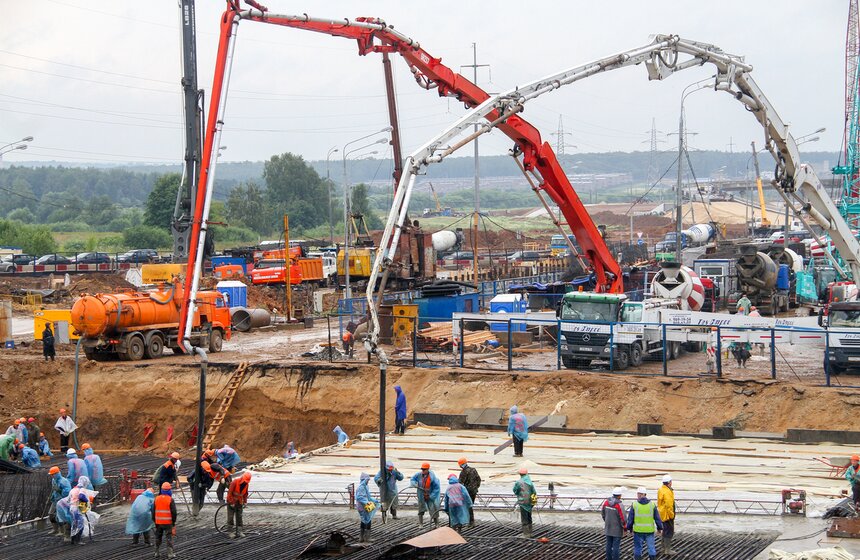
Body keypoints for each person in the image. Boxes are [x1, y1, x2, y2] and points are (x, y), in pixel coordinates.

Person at [626, 486, 664, 560]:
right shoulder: (652, 505)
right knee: (651, 548)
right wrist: (660, 528)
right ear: (645, 494)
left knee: (638, 549)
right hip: (649, 531)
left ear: (638, 494)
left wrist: (629, 529)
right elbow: (657, 518)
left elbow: (630, 519)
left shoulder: (634, 504)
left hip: (638, 531)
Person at [410, 462, 440, 527]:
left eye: (424, 469)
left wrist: (432, 496)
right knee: (421, 509)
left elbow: (436, 488)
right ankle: (421, 524)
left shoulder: (432, 477)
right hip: (421, 494)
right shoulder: (418, 475)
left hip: (429, 495)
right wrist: (414, 483)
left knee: (433, 509)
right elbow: (412, 479)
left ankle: (436, 523)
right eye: (422, 469)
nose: (423, 471)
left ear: (428, 469)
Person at [152, 482, 177, 558]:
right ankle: (170, 554)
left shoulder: (156, 499)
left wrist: (154, 520)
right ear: (169, 490)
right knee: (169, 537)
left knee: (158, 537)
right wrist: (173, 522)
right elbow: (174, 512)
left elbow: (153, 511)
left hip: (158, 522)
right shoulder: (170, 500)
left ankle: (156, 552)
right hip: (168, 522)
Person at [601, 487, 626, 560]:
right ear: (620, 495)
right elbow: (623, 518)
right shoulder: (619, 505)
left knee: (608, 545)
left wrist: (606, 521)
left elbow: (602, 513)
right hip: (617, 529)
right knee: (616, 547)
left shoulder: (606, 502)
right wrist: (625, 528)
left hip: (608, 527)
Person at [226, 471, 252, 539]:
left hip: (239, 502)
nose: (245, 482)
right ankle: (230, 532)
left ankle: (239, 531)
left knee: (239, 517)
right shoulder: (235, 482)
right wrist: (231, 502)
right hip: (232, 502)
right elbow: (229, 493)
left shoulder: (246, 484)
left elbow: (245, 494)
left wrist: (245, 502)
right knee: (230, 517)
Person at [356, 472, 380, 542]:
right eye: (367, 480)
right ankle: (367, 537)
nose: (368, 482)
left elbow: (368, 497)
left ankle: (361, 537)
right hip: (362, 506)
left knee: (364, 520)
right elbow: (359, 497)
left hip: (364, 506)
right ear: (364, 480)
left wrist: (374, 500)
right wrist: (367, 503)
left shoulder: (365, 486)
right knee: (368, 520)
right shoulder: (361, 487)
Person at [513, 467, 537, 538]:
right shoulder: (530, 482)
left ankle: (526, 534)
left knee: (524, 519)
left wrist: (519, 494)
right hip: (530, 502)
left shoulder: (518, 482)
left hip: (523, 502)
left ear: (520, 474)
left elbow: (515, 490)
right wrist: (533, 502)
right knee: (529, 517)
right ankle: (530, 532)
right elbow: (534, 492)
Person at [458, 457, 481, 527]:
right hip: (473, 491)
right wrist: (476, 488)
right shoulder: (473, 470)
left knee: (467, 506)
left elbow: (460, 484)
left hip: (467, 492)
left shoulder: (463, 472)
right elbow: (479, 480)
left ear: (460, 465)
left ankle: (470, 522)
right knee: (470, 506)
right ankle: (470, 521)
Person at [49, 466, 72, 536]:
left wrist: (59, 490)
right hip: (56, 500)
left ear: (57, 473)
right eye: (51, 475)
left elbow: (68, 492)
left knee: (60, 516)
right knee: (51, 514)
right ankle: (55, 529)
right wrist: (52, 496)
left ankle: (62, 531)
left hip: (62, 501)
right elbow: (53, 490)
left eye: (53, 474)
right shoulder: (53, 480)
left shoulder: (64, 481)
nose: (52, 476)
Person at [658, 474, 677, 557]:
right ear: (669, 482)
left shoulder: (661, 489)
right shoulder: (667, 491)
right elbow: (669, 505)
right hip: (667, 515)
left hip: (662, 514)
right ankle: (667, 550)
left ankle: (663, 548)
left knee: (665, 531)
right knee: (669, 532)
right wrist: (672, 515)